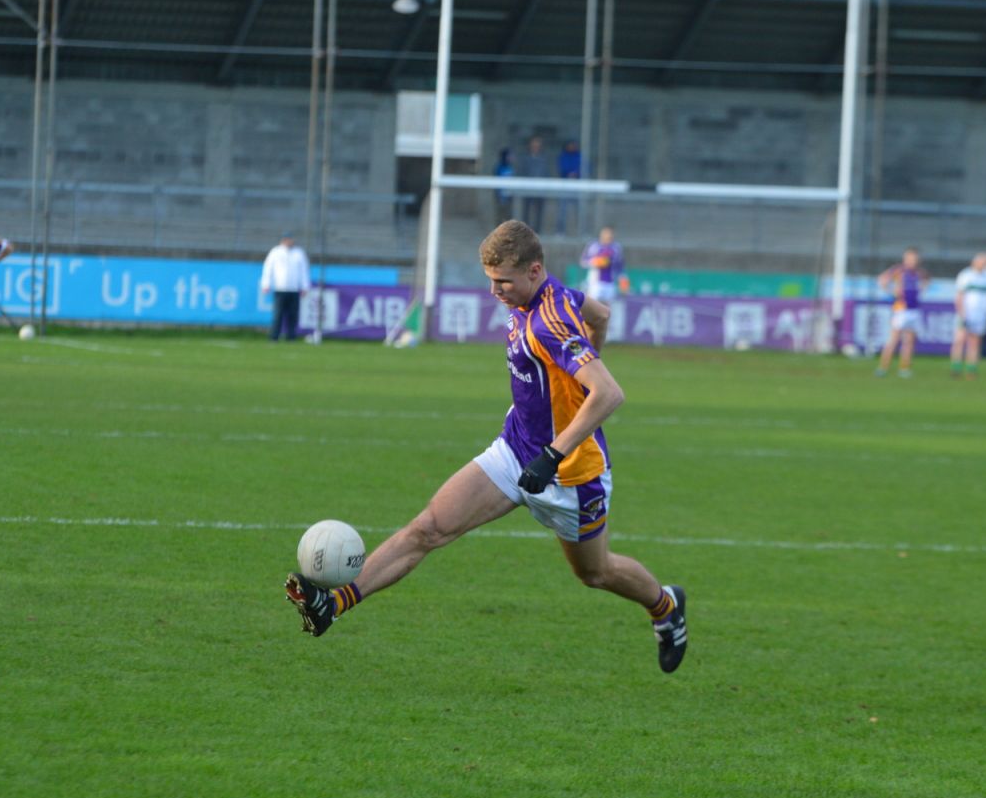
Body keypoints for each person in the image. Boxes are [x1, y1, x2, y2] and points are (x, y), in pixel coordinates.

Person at [284, 220, 689, 673]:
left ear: (534, 271)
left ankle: (665, 606)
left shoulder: (550, 323)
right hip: (516, 449)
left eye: (504, 282)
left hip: (573, 475)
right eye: (490, 281)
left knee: (595, 573)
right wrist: (576, 378)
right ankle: (334, 603)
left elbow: (610, 393)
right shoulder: (544, 293)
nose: (496, 291)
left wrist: (555, 450)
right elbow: (601, 317)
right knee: (429, 528)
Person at [874, 247, 930, 378]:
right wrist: (891, 291)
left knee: (909, 341)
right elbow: (882, 280)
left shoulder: (919, 273)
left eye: (914, 259)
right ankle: (883, 367)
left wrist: (922, 289)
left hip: (914, 309)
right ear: (905, 259)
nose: (912, 261)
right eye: (910, 258)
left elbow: (927, 280)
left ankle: (904, 368)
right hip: (901, 309)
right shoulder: (899, 270)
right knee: (893, 339)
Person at [949, 253, 986, 379]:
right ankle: (956, 367)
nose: (982, 265)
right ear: (974, 263)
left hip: (980, 314)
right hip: (966, 313)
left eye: (984, 263)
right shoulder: (966, 275)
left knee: (975, 341)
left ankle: (971, 369)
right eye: (980, 262)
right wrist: (961, 312)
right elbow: (959, 295)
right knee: (960, 339)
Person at [260, 232, 311, 341]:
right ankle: (274, 336)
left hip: (294, 289)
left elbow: (304, 271)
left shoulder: (299, 253)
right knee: (278, 314)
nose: (289, 242)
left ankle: (291, 336)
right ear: (283, 240)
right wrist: (266, 283)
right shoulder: (275, 252)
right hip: (280, 288)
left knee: (293, 315)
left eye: (291, 239)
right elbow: (268, 268)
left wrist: (305, 286)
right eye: (287, 239)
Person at [580, 225, 627, 304]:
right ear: (601, 234)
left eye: (610, 234)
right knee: (593, 306)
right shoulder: (593, 246)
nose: (608, 236)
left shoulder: (616, 248)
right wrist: (596, 262)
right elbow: (583, 261)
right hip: (595, 283)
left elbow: (620, 266)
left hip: (610, 283)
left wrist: (623, 280)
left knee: (607, 309)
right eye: (606, 233)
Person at [519, 135, 550, 233]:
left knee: (539, 212)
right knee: (526, 211)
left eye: (538, 145)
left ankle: (537, 231)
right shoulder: (525, 158)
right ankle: (525, 231)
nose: (536, 147)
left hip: (540, 189)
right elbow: (522, 172)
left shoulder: (544, 158)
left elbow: (546, 173)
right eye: (534, 144)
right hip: (528, 189)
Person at [554, 139, 582, 236]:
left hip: (577, 186)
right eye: (571, 145)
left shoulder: (579, 156)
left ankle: (581, 231)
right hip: (565, 185)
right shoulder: (563, 156)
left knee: (580, 210)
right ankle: (560, 231)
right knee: (562, 210)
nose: (573, 147)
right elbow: (562, 168)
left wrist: (577, 173)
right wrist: (568, 174)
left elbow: (585, 167)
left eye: (574, 145)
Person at [492, 147, 514, 225]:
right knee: (500, 216)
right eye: (509, 155)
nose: (511, 157)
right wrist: (499, 196)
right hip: (501, 196)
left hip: (509, 196)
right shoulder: (499, 167)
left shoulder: (510, 167)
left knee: (508, 217)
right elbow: (496, 183)